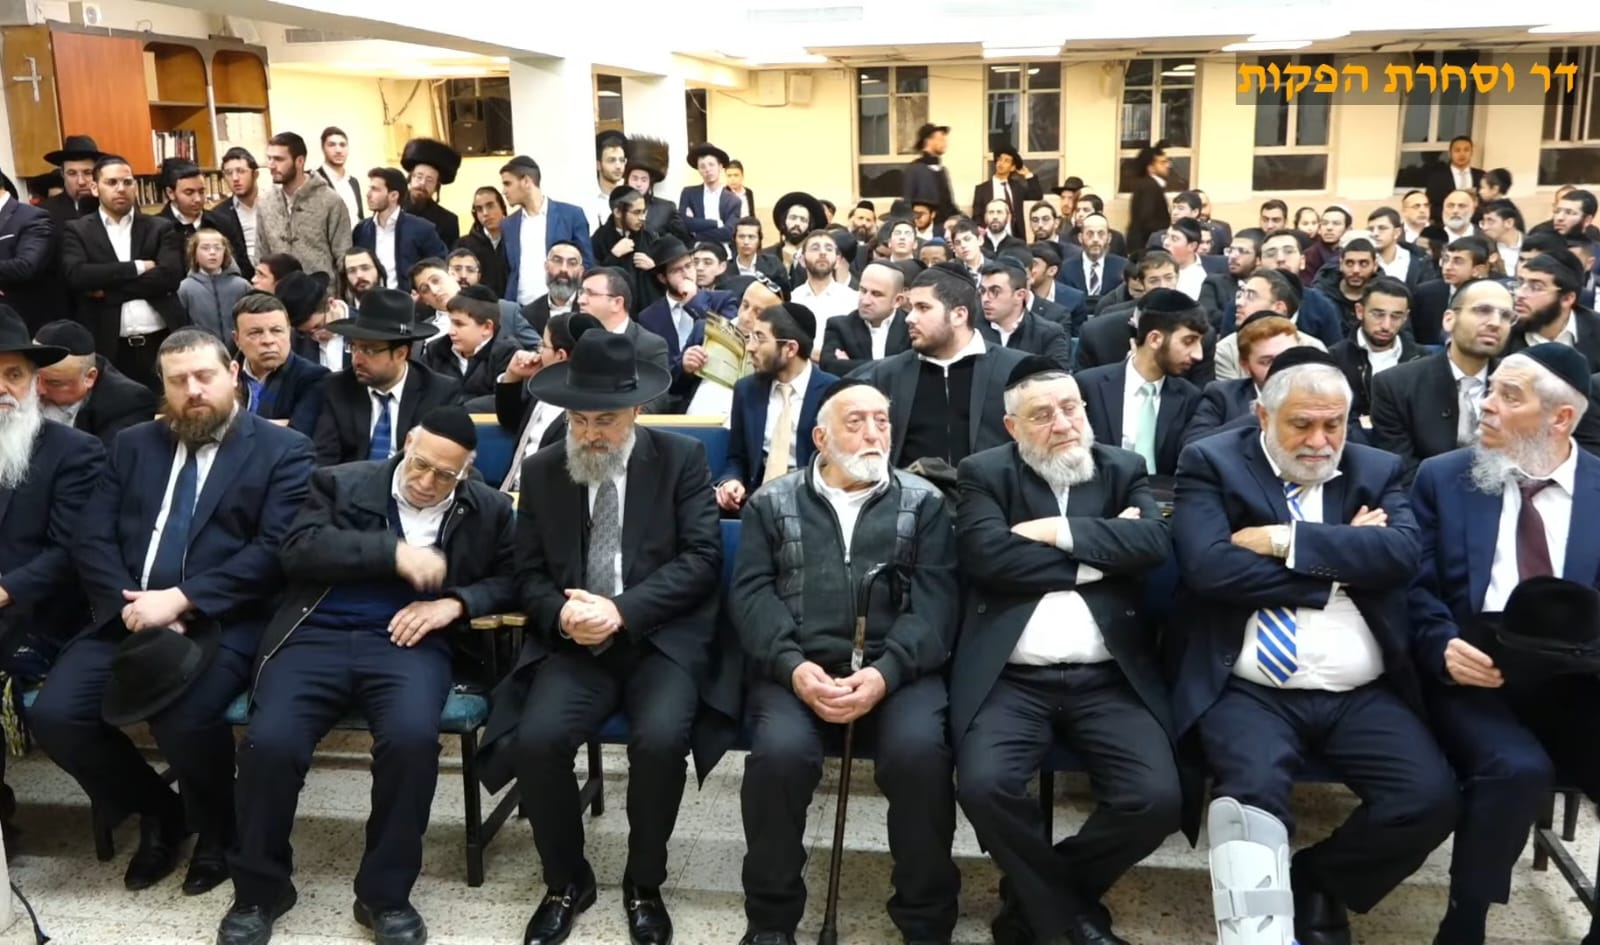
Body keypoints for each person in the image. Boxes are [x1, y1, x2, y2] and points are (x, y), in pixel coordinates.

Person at [1171, 348, 1458, 945]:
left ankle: (1316, 880)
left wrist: (1285, 540)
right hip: (1250, 687)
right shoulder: (1212, 462)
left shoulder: (1375, 468)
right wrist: (1340, 563)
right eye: (1301, 424)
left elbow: (1401, 556)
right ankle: (1257, 931)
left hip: (1360, 690)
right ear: (1262, 415)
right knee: (1251, 805)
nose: (1320, 441)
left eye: (1334, 424)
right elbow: (1209, 569)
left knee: (1427, 800)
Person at [29, 329, 314, 897]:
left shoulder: (283, 450)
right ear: (163, 387)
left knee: (183, 717)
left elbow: (274, 551)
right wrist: (132, 605)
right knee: (57, 717)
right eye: (179, 381)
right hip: (129, 614)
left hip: (221, 620)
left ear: (232, 374)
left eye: (204, 376)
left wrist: (183, 600)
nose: (194, 390)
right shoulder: (133, 444)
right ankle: (162, 811)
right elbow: (92, 537)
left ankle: (218, 829)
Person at [218, 407, 517, 945]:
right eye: (420, 465)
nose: (426, 482)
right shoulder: (340, 482)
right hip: (315, 633)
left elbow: (513, 579)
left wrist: (454, 603)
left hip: (410, 640)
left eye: (445, 475)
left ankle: (385, 896)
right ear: (407, 444)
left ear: (467, 471)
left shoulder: (487, 509)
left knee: (411, 742)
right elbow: (298, 551)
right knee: (270, 743)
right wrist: (392, 552)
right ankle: (260, 891)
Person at [478, 328, 725, 945]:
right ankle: (566, 880)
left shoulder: (681, 460)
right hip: (574, 643)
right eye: (579, 419)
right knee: (537, 741)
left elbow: (701, 560)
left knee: (661, 741)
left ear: (635, 410)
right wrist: (562, 615)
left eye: (605, 420)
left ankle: (644, 882)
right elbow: (526, 574)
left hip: (658, 639)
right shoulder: (543, 470)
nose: (590, 433)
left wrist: (621, 611)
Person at [953, 359, 1184, 945]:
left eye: (1070, 408)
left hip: (1110, 677)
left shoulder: (1123, 467)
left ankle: (1034, 903)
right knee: (984, 787)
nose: (1062, 423)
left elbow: (1152, 543)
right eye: (1042, 415)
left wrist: (1052, 532)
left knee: (1156, 800)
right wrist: (1101, 556)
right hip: (1011, 679)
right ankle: (1069, 918)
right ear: (1013, 427)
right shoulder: (984, 473)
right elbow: (988, 557)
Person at [732, 379, 960, 945]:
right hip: (798, 668)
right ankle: (771, 920)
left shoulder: (925, 503)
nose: (873, 433)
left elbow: (936, 605)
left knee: (920, 757)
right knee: (778, 759)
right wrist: (792, 666)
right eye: (856, 422)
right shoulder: (771, 502)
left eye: (882, 421)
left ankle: (925, 920)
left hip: (897, 672)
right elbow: (752, 596)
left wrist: (885, 673)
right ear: (821, 437)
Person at [1409, 344, 1600, 945]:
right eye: (1490, 390)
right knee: (1516, 769)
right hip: (1475, 672)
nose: (1485, 405)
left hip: (1577, 678)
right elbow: (1413, 587)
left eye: (1508, 397)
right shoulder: (1443, 477)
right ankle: (1465, 922)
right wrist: (1440, 643)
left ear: (1560, 418)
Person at [0, 307, 105, 848]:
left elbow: (69, 553)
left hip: (38, 612)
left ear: (33, 382)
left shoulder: (74, 452)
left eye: (12, 374)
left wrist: (6, 589)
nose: (2, 388)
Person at [850, 263, 1028, 469]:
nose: (910, 318)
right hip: (911, 488)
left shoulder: (1015, 371)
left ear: (959, 315)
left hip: (990, 489)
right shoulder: (887, 375)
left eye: (923, 308)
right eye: (911, 308)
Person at [60, 154, 188, 391]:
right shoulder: (78, 230)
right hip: (111, 348)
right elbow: (78, 276)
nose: (121, 188)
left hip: (162, 342)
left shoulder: (159, 227)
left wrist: (108, 292)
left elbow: (170, 276)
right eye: (112, 182)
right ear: (95, 188)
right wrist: (137, 267)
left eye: (127, 182)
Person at [311, 288, 461, 466]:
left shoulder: (439, 392)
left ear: (400, 354)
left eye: (369, 350)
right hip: (352, 480)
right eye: (354, 347)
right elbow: (325, 461)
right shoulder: (337, 387)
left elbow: (443, 461)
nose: (357, 359)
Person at [716, 302, 839, 513]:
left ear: (790, 348)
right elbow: (737, 457)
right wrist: (732, 480)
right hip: (758, 504)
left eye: (760, 338)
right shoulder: (746, 390)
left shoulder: (834, 393)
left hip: (814, 507)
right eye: (751, 337)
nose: (750, 347)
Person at [1075, 288, 1207, 479]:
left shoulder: (1190, 398)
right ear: (1154, 339)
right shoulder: (1089, 386)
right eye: (1188, 341)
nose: (1198, 354)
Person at [32, 319, 157, 446]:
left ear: (89, 377)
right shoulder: (21, 384)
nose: (38, 390)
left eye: (54, 383)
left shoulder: (128, 405)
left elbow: (105, 457)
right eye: (34, 378)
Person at [256, 132, 354, 281]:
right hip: (279, 291)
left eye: (279, 159)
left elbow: (343, 255)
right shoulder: (265, 203)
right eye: (269, 158)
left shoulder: (330, 201)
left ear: (299, 161)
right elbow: (261, 252)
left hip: (321, 289)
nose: (271, 165)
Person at [500, 155, 595, 305]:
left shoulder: (571, 215)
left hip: (562, 306)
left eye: (508, 184)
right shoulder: (508, 225)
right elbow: (508, 270)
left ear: (526, 182)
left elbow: (586, 264)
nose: (504, 191)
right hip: (519, 308)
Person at [232, 292, 329, 436]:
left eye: (276, 331)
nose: (268, 340)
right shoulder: (223, 377)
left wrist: (234, 426)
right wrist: (279, 425)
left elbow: (297, 437)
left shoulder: (314, 377)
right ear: (237, 339)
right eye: (255, 333)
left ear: (289, 333)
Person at [178, 228, 253, 348]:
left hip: (239, 350)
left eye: (218, 248)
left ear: (225, 252)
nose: (212, 252)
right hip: (202, 351)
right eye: (205, 248)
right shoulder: (185, 288)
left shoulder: (241, 286)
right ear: (194, 254)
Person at [400, 138, 462, 247]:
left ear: (436, 187)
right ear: (410, 178)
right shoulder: (391, 210)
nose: (422, 183)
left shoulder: (448, 221)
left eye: (430, 180)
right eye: (419, 177)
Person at [903, 123, 956, 228]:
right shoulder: (914, 169)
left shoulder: (943, 170)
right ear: (928, 141)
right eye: (941, 139)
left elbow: (949, 205)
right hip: (924, 229)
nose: (945, 143)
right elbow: (907, 203)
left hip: (945, 228)